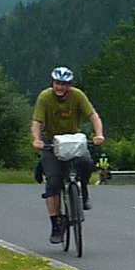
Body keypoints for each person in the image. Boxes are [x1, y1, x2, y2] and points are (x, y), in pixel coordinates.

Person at [30, 66, 104, 245]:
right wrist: (36, 139)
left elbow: (93, 116)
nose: (60, 87)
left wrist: (99, 135)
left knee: (86, 163)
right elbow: (37, 122)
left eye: (64, 84)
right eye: (57, 83)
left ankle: (83, 191)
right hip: (52, 142)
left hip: (73, 140)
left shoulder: (78, 96)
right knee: (53, 182)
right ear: (52, 83)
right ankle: (56, 224)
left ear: (69, 85)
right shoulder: (45, 97)